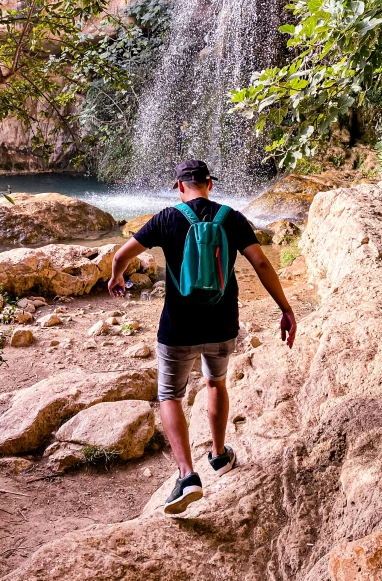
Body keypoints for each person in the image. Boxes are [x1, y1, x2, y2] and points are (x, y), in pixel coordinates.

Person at [108, 160, 297, 515]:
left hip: (177, 327)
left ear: (179, 187)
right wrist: (285, 308)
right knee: (215, 384)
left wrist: (117, 276)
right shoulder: (232, 218)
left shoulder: (167, 218)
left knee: (169, 395)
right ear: (209, 183)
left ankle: (187, 476)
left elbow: (121, 255)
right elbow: (262, 264)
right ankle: (220, 456)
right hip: (222, 325)